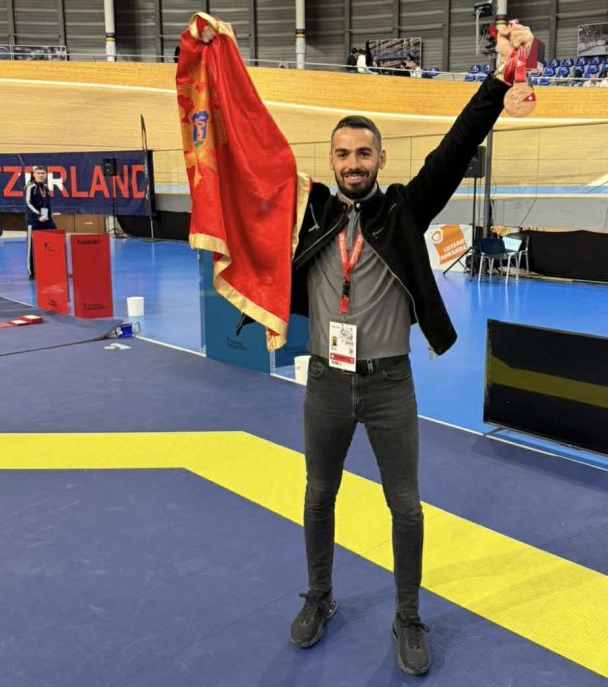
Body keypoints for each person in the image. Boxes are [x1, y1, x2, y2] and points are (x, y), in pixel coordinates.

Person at [198, 20, 532, 677]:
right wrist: (217, 64)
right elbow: (249, 153)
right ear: (332, 162)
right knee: (318, 493)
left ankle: (408, 616)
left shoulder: (403, 211)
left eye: (364, 154)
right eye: (343, 154)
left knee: (404, 505)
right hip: (326, 382)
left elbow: (457, 146)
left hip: (389, 385)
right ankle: (319, 596)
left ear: (379, 161)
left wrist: (498, 79)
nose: (353, 164)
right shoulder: (311, 211)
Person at [24, 165, 57, 278]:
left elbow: (47, 203)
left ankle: (52, 267)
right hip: (34, 222)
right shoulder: (30, 187)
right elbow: (28, 203)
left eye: (43, 173)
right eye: (38, 173)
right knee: (32, 247)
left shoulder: (46, 187)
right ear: (34, 174)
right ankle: (32, 272)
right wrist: (38, 215)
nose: (40, 175)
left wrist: (50, 215)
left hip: (47, 221)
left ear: (46, 175)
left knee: (54, 241)